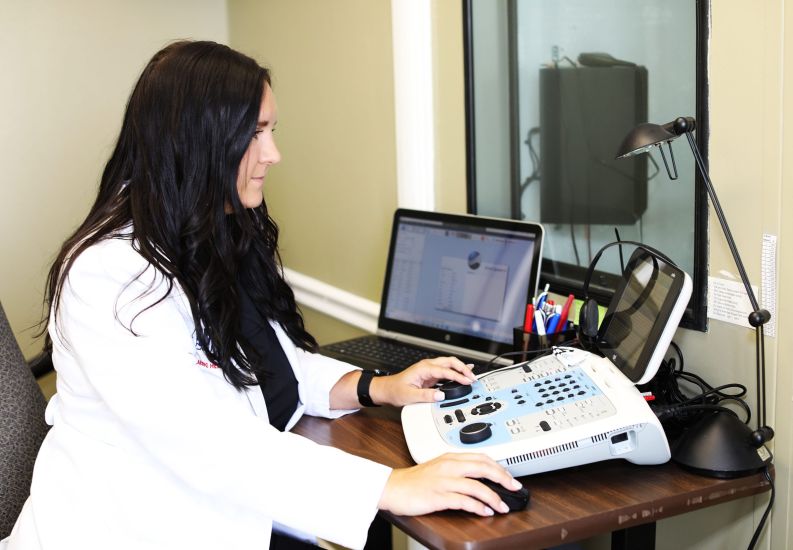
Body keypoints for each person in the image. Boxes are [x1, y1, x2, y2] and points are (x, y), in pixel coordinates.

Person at [1, 40, 522, 550]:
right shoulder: (110, 275)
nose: (274, 154)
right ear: (197, 141)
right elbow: (203, 441)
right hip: (132, 528)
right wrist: (391, 487)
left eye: (272, 130)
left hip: (227, 512)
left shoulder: (219, 234)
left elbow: (276, 365)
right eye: (255, 133)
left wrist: (377, 387)